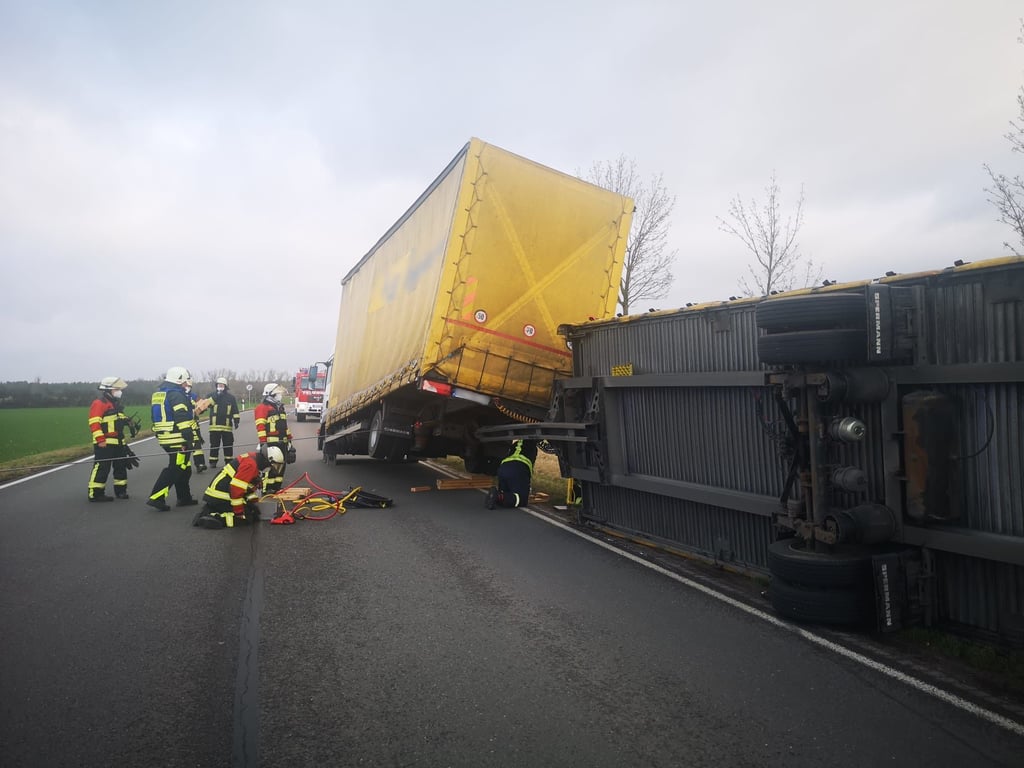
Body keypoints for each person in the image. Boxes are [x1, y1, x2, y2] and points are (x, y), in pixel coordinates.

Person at [192, 446, 284, 529]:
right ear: (269, 460)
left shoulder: (254, 460)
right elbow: (236, 489)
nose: (274, 469)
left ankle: (208, 512)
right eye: (275, 465)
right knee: (247, 518)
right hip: (222, 496)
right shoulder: (251, 465)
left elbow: (247, 485)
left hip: (220, 493)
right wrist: (239, 512)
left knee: (254, 511)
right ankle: (215, 519)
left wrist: (253, 502)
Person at [147, 366, 199, 511]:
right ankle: (156, 497)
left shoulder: (160, 394)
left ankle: (184, 497)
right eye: (184, 382)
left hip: (165, 437)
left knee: (184, 468)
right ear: (179, 380)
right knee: (176, 468)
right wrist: (189, 437)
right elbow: (181, 417)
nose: (186, 385)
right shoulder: (176, 394)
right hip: (177, 438)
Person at [87, 376, 132, 501]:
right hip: (105, 443)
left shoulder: (115, 404)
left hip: (118, 442)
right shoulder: (99, 403)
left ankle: (121, 491)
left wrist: (127, 421)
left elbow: (117, 418)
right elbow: (94, 423)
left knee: (120, 467)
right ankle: (95, 493)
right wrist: (100, 439)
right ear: (108, 390)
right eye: (117, 389)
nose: (119, 391)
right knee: (102, 467)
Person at [254, 382, 293, 494]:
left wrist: (290, 440)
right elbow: (260, 427)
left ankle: (276, 488)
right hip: (271, 443)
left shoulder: (280, 408)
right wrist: (263, 443)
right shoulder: (262, 408)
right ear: (270, 395)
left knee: (281, 467)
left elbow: (284, 426)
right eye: (278, 394)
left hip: (283, 442)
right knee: (272, 467)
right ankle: (266, 489)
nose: (280, 396)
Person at [485, 439, 538, 509]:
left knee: (506, 494)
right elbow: (528, 472)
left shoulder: (515, 444)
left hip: (503, 468)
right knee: (522, 500)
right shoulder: (533, 447)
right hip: (518, 469)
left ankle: (497, 496)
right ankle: (498, 496)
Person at [206, 377, 240, 468]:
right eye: (218, 385)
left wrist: (236, 421)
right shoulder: (211, 395)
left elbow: (235, 410)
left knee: (228, 445)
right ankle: (213, 462)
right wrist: (216, 396)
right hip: (214, 426)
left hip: (227, 426)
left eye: (222, 385)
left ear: (225, 386)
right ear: (216, 386)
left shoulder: (231, 398)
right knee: (214, 445)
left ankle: (228, 461)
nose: (220, 386)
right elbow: (207, 405)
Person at [184, 379, 208, 474]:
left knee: (197, 446)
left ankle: (200, 465)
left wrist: (202, 408)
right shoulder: (176, 396)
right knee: (184, 447)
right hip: (180, 426)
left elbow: (201, 406)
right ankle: (184, 466)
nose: (187, 388)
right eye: (186, 386)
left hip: (193, 425)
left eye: (189, 387)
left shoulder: (193, 396)